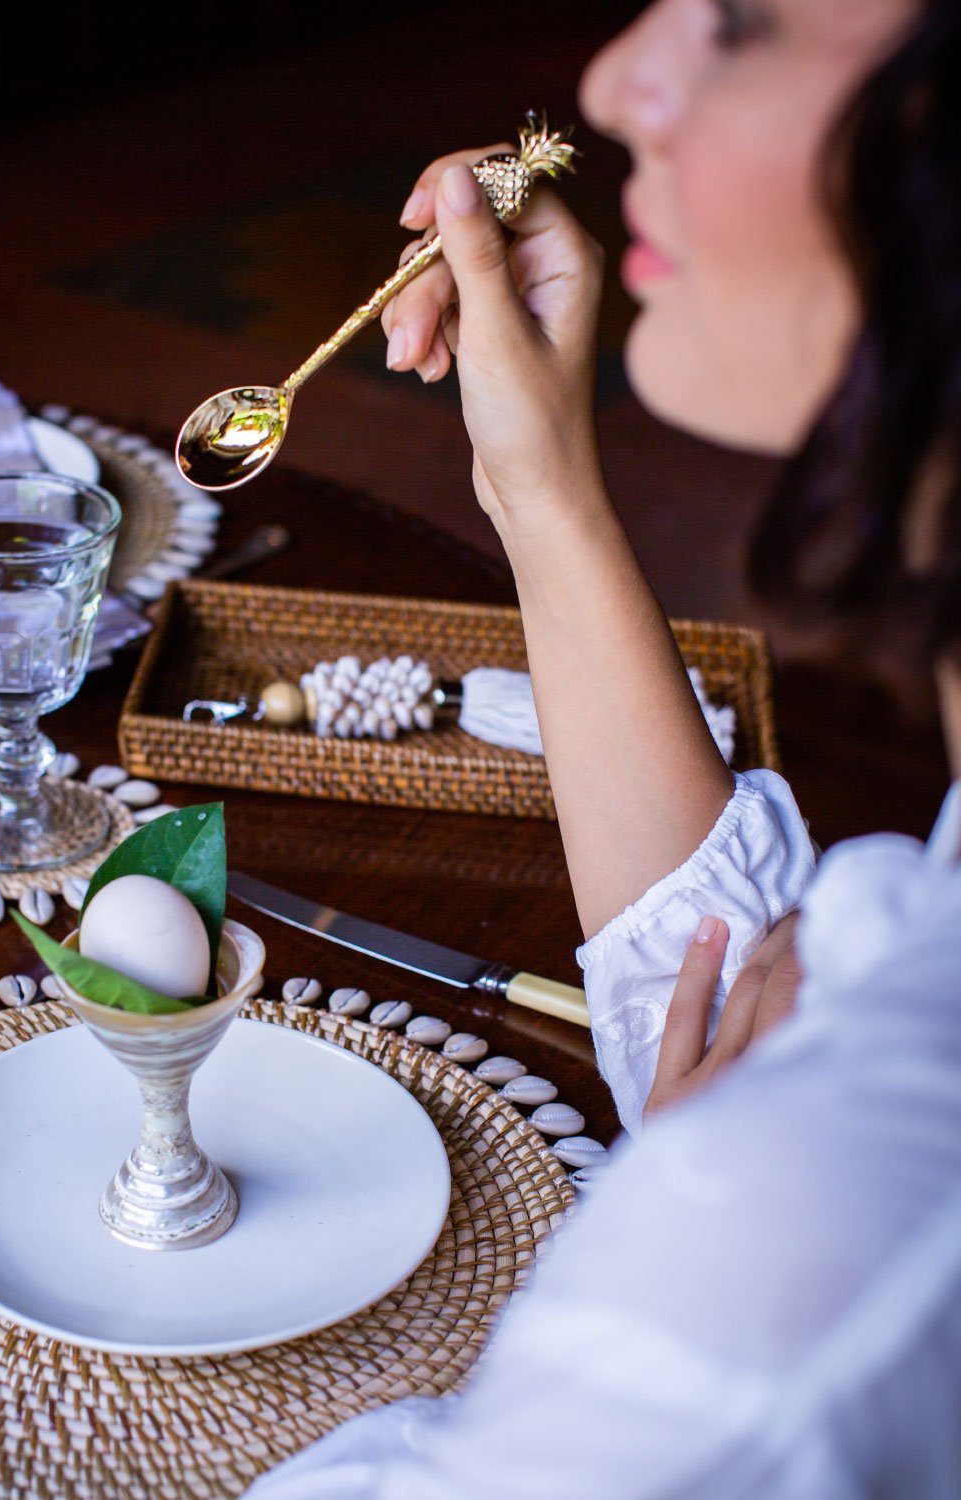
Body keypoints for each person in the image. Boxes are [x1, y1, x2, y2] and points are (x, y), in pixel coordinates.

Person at [247, 0, 961, 1495]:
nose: (614, 80)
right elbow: (729, 991)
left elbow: (783, 1196)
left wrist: (686, 1187)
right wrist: (538, 487)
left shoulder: (789, 1280)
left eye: (742, 23)